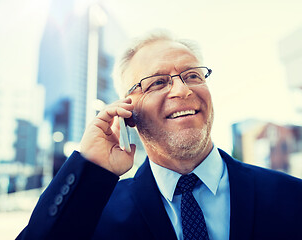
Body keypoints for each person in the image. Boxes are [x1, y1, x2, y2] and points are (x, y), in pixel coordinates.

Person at [17, 30, 302, 240]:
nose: (182, 90)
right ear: (126, 108)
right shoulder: (92, 210)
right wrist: (89, 168)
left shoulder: (292, 196)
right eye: (157, 82)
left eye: (192, 76)